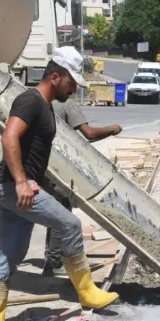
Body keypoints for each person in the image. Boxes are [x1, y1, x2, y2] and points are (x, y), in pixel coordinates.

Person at [0, 46, 119, 321]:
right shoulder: (29, 100)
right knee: (69, 224)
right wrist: (20, 181)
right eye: (72, 84)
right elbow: (9, 137)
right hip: (13, 187)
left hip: (22, 189)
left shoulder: (45, 106)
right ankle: (86, 291)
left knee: (11, 253)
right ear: (55, 76)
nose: (74, 90)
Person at [42, 99, 122, 277]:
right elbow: (90, 133)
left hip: (45, 165)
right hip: (59, 166)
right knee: (61, 214)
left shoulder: (42, 100)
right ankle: (53, 263)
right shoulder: (67, 104)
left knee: (56, 213)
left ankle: (53, 257)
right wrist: (112, 129)